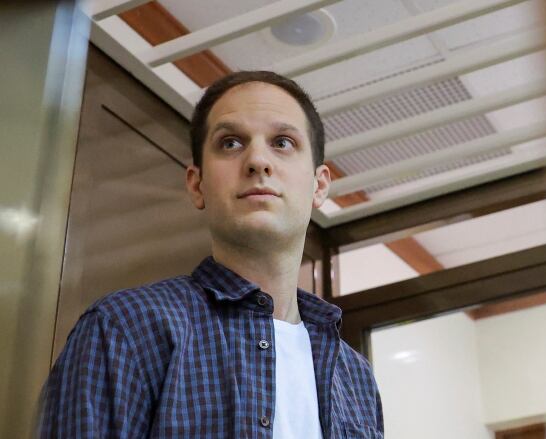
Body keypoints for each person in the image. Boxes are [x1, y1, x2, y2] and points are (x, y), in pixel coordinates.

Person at [38, 71, 384, 438]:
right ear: (196, 183)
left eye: (282, 142)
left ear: (319, 185)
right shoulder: (125, 328)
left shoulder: (356, 378)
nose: (257, 162)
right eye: (231, 143)